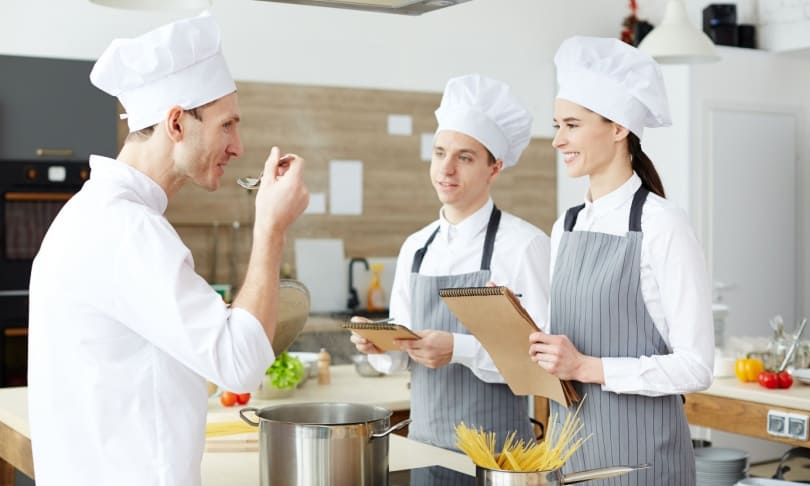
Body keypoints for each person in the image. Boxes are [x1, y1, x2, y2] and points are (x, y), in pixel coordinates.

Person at [27, 12, 309, 486]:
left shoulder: (96, 214)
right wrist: (270, 228)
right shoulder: (127, 230)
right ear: (177, 123)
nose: (238, 146)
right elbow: (239, 365)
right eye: (227, 125)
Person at [529, 36, 714, 484]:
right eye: (557, 125)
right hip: (569, 455)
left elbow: (697, 366)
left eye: (571, 125)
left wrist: (585, 367)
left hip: (642, 463)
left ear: (618, 128)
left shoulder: (662, 223)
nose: (558, 140)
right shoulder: (566, 226)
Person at [351, 73, 551, 451]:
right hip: (426, 448)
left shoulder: (525, 245)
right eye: (440, 153)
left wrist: (459, 349)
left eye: (465, 157)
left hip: (501, 459)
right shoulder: (416, 247)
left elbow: (541, 365)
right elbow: (404, 356)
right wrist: (380, 347)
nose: (446, 169)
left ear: (495, 168)